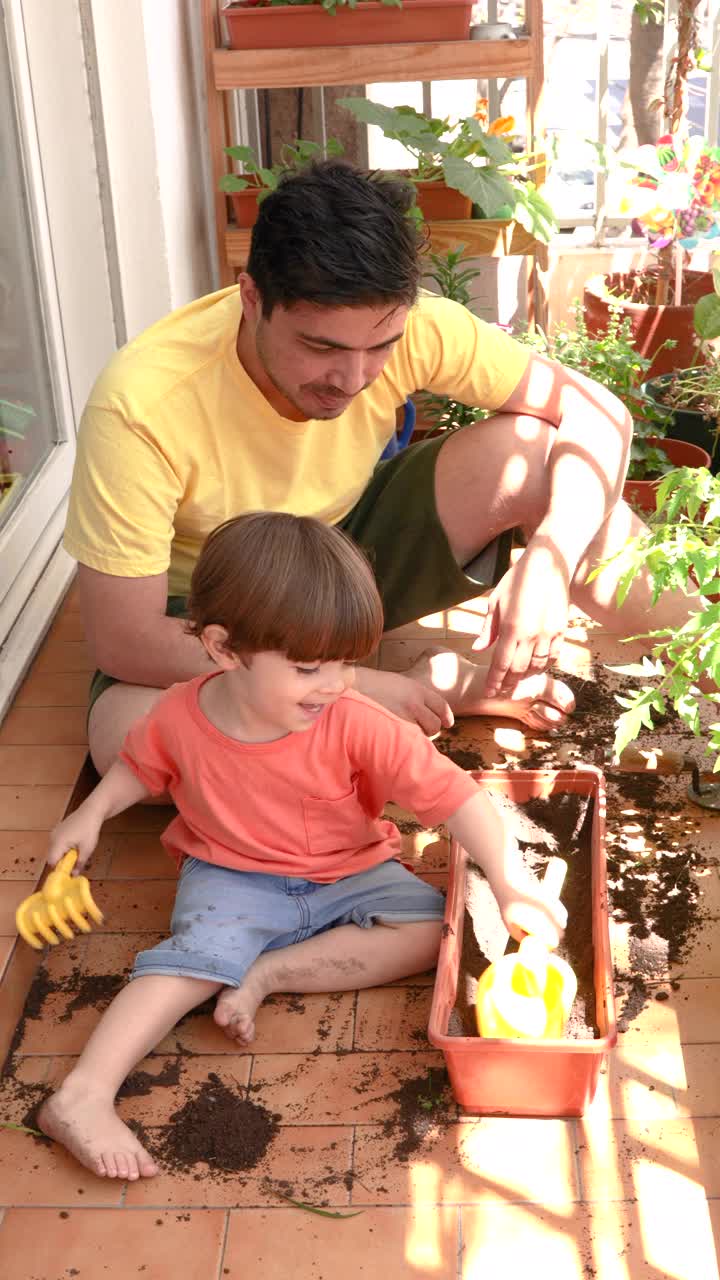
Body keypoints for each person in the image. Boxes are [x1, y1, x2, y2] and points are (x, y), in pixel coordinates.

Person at [63, 160, 698, 775]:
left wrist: (552, 559)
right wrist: (351, 686)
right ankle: (428, 694)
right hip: (218, 610)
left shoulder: (415, 327)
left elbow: (600, 414)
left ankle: (710, 666)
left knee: (530, 452)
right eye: (321, 347)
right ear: (252, 299)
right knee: (128, 742)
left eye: (380, 348)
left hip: (349, 556)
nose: (355, 378)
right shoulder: (141, 404)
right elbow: (125, 638)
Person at [38, 513, 566, 1180]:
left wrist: (512, 880)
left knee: (438, 930)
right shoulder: (178, 713)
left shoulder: (355, 721)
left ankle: (266, 973)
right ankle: (82, 1096)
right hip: (231, 876)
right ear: (225, 649)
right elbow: (137, 766)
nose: (336, 684)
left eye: (349, 663)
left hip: (351, 871)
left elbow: (457, 797)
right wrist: (89, 814)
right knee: (189, 963)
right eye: (310, 667)